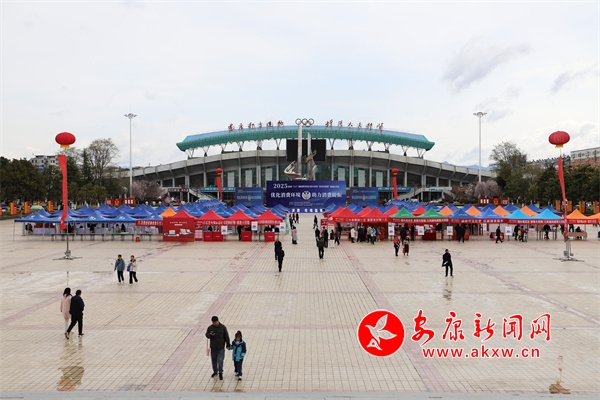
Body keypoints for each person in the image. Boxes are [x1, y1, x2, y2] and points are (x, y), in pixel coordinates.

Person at [205, 316, 231, 380]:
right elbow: (207, 335)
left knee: (220, 360)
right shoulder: (210, 328)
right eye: (213, 322)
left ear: (218, 321)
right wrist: (210, 335)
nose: (215, 323)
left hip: (221, 347)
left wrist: (228, 344)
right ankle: (215, 371)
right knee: (214, 361)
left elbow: (226, 336)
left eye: (216, 322)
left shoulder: (223, 327)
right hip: (213, 347)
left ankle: (220, 373)